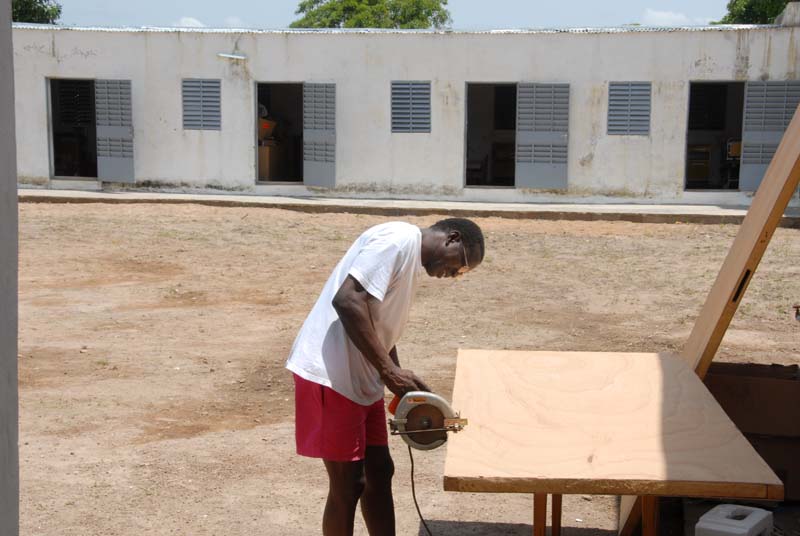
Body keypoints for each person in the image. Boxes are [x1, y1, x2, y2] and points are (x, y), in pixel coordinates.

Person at [286, 218, 485, 536]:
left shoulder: (407, 261)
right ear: (452, 238)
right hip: (332, 374)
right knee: (349, 484)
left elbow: (376, 327)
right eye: (459, 267)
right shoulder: (397, 240)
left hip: (361, 377)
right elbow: (347, 300)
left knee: (380, 471)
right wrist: (389, 371)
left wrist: (400, 382)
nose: (454, 276)